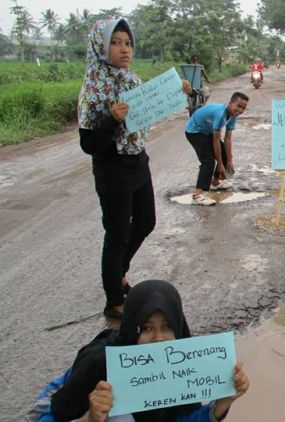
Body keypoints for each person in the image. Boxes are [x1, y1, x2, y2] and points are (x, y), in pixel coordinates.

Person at [77, 18, 190, 319]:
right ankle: (114, 299)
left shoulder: (131, 79)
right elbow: (88, 144)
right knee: (116, 235)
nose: (123, 49)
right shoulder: (93, 88)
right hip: (112, 168)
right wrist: (111, 119)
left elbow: (156, 103)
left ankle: (119, 272)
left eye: (127, 42)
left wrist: (180, 90)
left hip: (138, 160)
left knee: (146, 221)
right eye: (115, 42)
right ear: (101, 47)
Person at [37, 280, 250, 421]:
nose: (159, 339)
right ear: (131, 328)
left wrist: (224, 400)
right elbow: (46, 417)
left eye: (167, 327)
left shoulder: (182, 364)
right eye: (146, 328)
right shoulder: (100, 364)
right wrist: (90, 419)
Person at [184, 92, 249, 206]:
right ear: (230, 103)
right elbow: (216, 140)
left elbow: (227, 138)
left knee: (223, 153)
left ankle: (215, 181)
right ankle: (198, 195)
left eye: (243, 108)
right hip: (195, 131)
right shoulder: (221, 114)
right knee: (208, 161)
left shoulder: (233, 115)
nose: (240, 110)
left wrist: (229, 160)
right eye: (238, 106)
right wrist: (219, 164)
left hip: (207, 131)